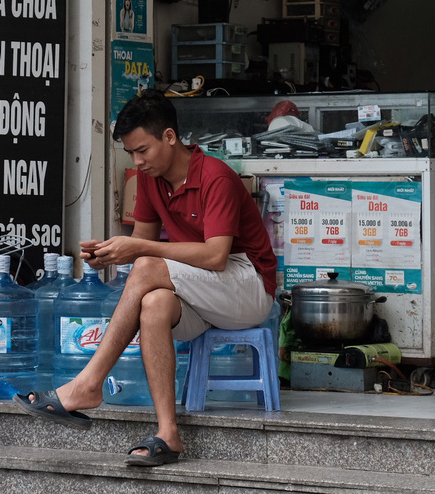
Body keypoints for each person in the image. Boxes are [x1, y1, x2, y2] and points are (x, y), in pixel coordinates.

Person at [14, 90, 277, 466]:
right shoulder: (150, 180)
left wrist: (138, 252)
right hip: (202, 289)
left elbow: (216, 257)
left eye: (143, 150)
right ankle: (168, 433)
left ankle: (88, 384)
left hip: (247, 286)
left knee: (147, 266)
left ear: (169, 137)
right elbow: (142, 243)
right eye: (131, 154)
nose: (137, 161)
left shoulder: (215, 176)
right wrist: (107, 252)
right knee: (154, 303)